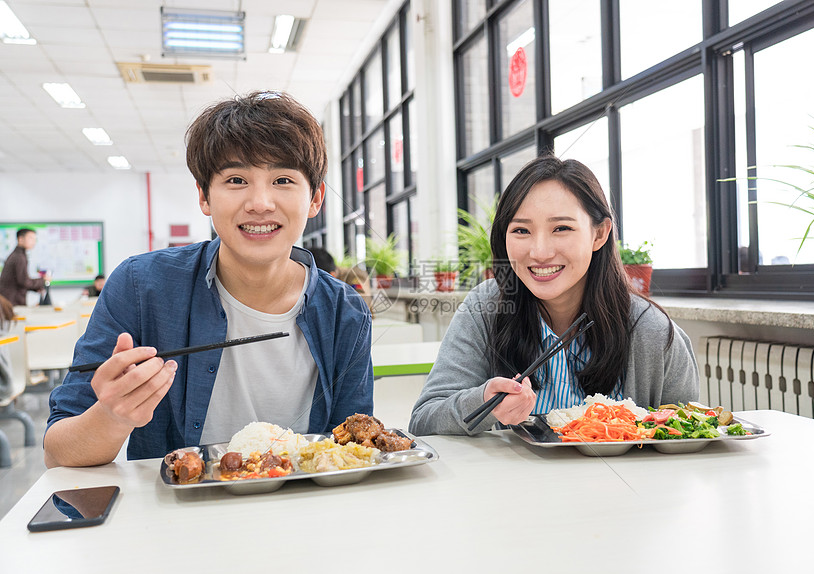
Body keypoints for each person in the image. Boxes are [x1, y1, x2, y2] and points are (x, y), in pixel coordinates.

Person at [45, 91, 374, 467]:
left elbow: (354, 451)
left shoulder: (345, 312)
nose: (261, 202)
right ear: (204, 197)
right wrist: (113, 416)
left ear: (315, 200)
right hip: (174, 519)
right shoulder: (140, 286)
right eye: (236, 180)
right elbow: (58, 452)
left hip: (303, 516)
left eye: (283, 180)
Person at [409, 156, 699, 435]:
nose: (540, 252)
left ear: (599, 234)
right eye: (521, 230)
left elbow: (689, 434)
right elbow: (424, 420)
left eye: (561, 228)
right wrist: (484, 401)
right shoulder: (485, 307)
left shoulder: (652, 331)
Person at [0, 228, 47, 306]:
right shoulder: (19, 257)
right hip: (12, 302)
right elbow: (24, 282)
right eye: (30, 238)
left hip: (9, 300)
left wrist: (36, 288)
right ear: (20, 239)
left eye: (35, 239)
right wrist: (43, 280)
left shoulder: (17, 254)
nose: (34, 242)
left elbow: (21, 281)